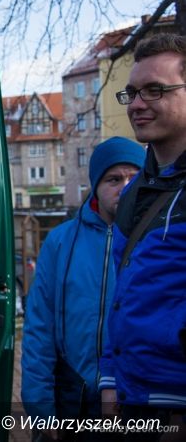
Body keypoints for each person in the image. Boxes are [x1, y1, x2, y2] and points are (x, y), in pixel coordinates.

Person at [22, 137, 145, 441]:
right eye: (114, 179)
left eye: (134, 178)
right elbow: (40, 325)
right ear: (95, 185)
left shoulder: (157, 241)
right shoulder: (61, 241)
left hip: (134, 396)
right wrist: (39, 404)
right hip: (72, 394)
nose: (125, 187)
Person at [99, 33, 186, 438]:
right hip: (134, 399)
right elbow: (123, 295)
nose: (136, 104)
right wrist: (110, 376)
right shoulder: (134, 191)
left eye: (155, 90)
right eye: (132, 93)